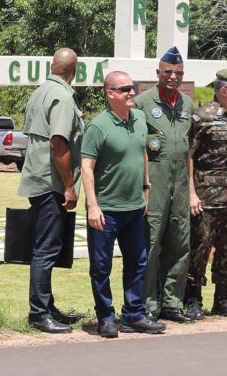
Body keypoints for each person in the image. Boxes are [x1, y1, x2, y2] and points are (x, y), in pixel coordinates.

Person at [81, 71, 165, 338]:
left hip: (134, 207)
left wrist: (146, 186)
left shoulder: (139, 119)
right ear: (110, 94)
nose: (132, 92)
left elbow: (142, 152)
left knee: (138, 262)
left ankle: (133, 315)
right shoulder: (98, 126)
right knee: (101, 267)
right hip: (106, 210)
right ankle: (105, 317)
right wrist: (93, 206)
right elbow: (86, 167)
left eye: (133, 87)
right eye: (125, 89)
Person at [18, 48, 84, 333]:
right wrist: (69, 186)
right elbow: (58, 143)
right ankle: (39, 312)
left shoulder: (40, 92)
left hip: (38, 179)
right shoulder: (64, 97)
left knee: (47, 247)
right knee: (46, 250)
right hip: (51, 184)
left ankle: (47, 305)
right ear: (74, 72)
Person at [184, 69, 227, 320]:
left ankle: (222, 298)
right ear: (223, 90)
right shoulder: (202, 117)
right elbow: (187, 157)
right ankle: (193, 299)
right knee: (200, 249)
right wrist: (191, 193)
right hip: (206, 199)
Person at [134, 46, 194, 323]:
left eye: (178, 73)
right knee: (151, 244)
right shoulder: (143, 103)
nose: (173, 77)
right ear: (158, 73)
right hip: (154, 186)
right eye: (168, 72)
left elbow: (188, 150)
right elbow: (136, 147)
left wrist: (191, 190)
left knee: (179, 244)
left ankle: (172, 303)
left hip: (180, 187)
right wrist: (143, 186)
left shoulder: (187, 104)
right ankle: (148, 303)